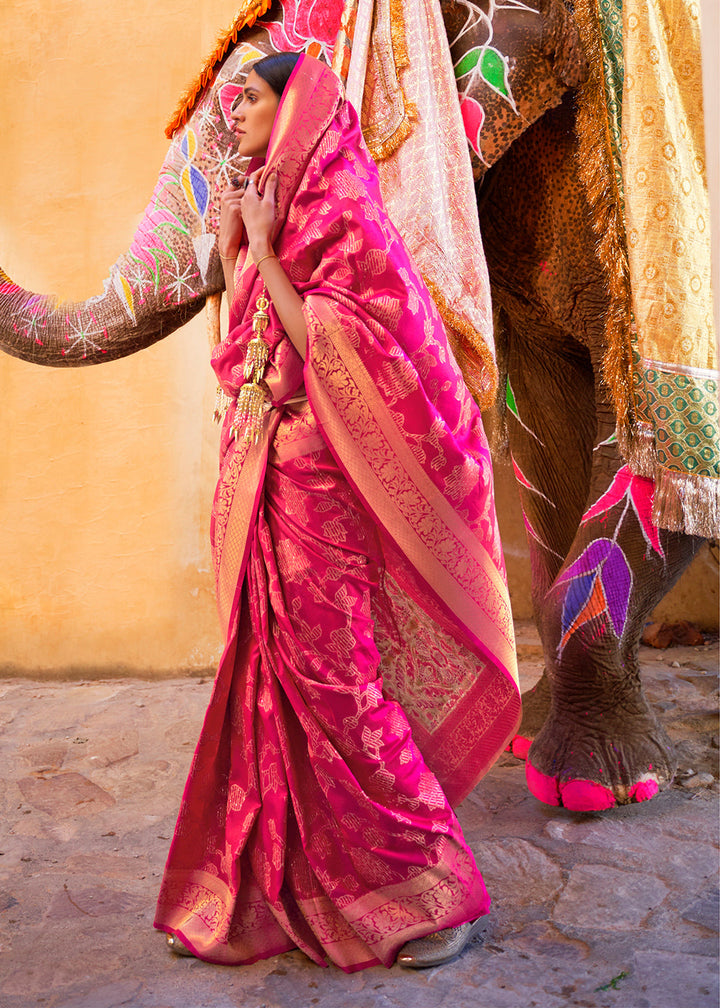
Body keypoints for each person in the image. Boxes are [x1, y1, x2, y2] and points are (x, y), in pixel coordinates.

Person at [154, 50, 520, 973]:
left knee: (343, 691)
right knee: (266, 693)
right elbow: (244, 349)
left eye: (253, 99)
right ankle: (269, 892)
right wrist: (241, 253)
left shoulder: (346, 214)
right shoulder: (268, 204)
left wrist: (266, 254)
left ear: (298, 111)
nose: (235, 112)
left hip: (326, 495)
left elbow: (334, 346)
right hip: (272, 486)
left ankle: (442, 892)